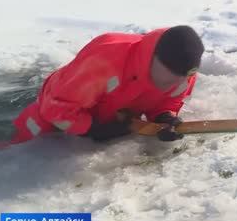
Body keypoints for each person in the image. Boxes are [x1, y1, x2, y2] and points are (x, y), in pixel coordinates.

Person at [11, 25, 204, 144]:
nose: (175, 84)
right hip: (50, 121)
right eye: (169, 79)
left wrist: (165, 117)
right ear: (154, 58)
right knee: (10, 153)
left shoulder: (183, 73)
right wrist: (92, 129)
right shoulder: (105, 59)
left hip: (113, 121)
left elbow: (166, 102)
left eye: (181, 79)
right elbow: (55, 107)